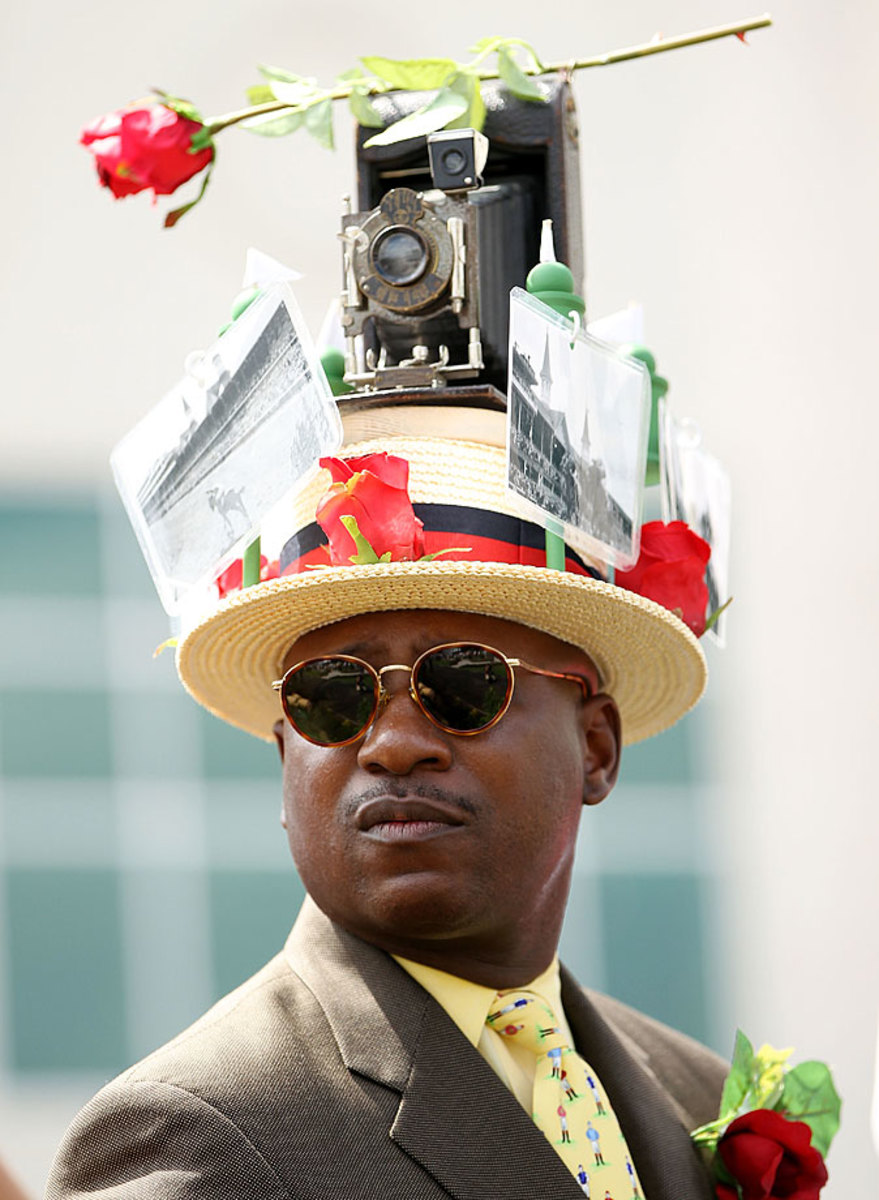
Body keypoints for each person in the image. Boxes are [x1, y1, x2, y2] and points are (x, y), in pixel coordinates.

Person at [47, 424, 727, 1198]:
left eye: (466, 684)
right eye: (332, 696)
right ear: (283, 765)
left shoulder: (696, 1097)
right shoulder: (197, 1134)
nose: (393, 745)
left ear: (596, 748)